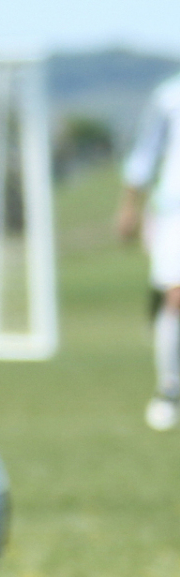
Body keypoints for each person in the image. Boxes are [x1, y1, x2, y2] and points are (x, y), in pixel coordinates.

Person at [120, 67, 180, 431]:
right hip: (176, 210)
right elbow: (145, 154)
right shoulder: (169, 97)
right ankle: (169, 388)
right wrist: (130, 205)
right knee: (176, 295)